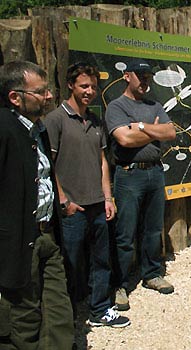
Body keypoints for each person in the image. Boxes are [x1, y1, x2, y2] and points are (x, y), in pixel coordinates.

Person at [44, 62, 130, 328]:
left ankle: (99, 309)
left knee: (100, 260)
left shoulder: (95, 120)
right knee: (69, 264)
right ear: (71, 85)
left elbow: (103, 161)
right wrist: (64, 201)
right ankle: (65, 319)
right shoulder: (55, 120)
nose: (89, 91)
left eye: (93, 86)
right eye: (84, 85)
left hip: (97, 204)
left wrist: (108, 197)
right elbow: (49, 163)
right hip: (72, 208)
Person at [0, 61, 74, 349]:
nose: (49, 97)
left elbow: (44, 173)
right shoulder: (5, 130)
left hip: (47, 235)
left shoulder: (37, 129)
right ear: (15, 97)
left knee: (58, 310)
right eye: (40, 92)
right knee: (24, 315)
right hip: (18, 239)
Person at [105, 59, 176, 311]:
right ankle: (120, 284)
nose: (145, 80)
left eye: (148, 77)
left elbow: (170, 133)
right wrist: (154, 130)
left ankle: (151, 274)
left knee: (153, 229)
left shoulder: (155, 105)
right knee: (125, 234)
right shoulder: (116, 107)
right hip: (128, 176)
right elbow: (124, 139)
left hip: (155, 174)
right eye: (140, 76)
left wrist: (143, 127)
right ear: (127, 77)